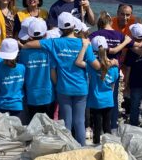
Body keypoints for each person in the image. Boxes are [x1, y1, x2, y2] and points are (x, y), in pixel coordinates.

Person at [26, 12, 98, 145]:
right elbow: (95, 65)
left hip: (63, 87)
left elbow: (33, 44)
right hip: (81, 87)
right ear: (74, 26)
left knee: (66, 121)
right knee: (80, 121)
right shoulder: (83, 44)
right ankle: (81, 148)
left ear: (59, 28)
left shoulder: (54, 43)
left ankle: (67, 148)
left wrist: (22, 45)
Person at [90, 11, 131, 132]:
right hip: (113, 71)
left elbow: (85, 44)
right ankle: (112, 126)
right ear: (111, 21)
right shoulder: (119, 35)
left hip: (96, 69)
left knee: (95, 97)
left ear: (99, 23)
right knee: (112, 99)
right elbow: (136, 45)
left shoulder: (95, 35)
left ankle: (95, 127)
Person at [77, 35, 120, 144]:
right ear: (106, 49)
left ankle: (96, 145)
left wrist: (85, 47)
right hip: (108, 100)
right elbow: (113, 85)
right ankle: (110, 146)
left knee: (97, 126)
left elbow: (78, 62)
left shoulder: (92, 66)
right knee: (107, 126)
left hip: (95, 101)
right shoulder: (114, 67)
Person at [18, 18, 55, 121]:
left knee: (34, 126)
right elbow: (53, 72)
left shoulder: (24, 53)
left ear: (29, 36)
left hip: (32, 95)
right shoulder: (50, 50)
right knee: (48, 126)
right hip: (48, 94)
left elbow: (23, 74)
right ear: (46, 34)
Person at [121, 23, 142, 128]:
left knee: (135, 103)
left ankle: (134, 124)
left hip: (135, 81)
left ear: (133, 36)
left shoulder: (131, 50)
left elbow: (128, 68)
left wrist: (126, 83)